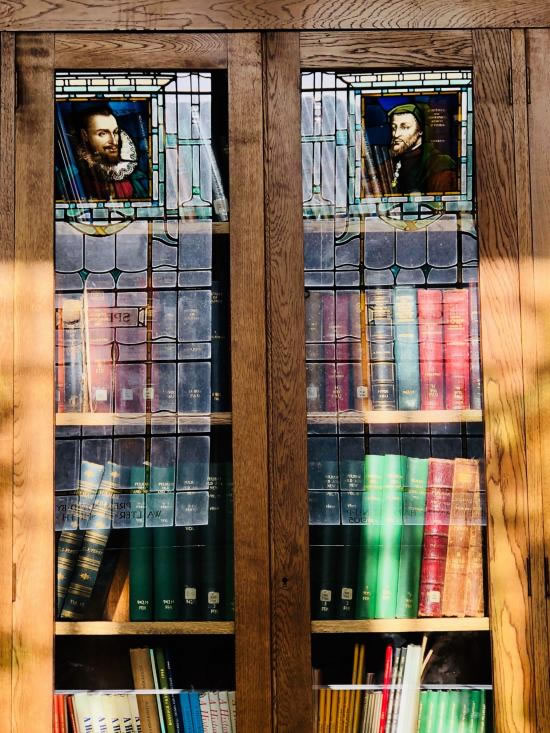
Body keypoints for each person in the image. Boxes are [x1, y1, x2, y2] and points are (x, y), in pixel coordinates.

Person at [56, 102, 149, 201]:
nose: (114, 141)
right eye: (102, 133)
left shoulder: (132, 172)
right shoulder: (70, 176)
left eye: (115, 132)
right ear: (84, 135)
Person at [387, 103, 457, 195]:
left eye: (404, 127)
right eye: (394, 128)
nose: (395, 134)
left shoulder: (439, 165)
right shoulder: (391, 163)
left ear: (420, 130)